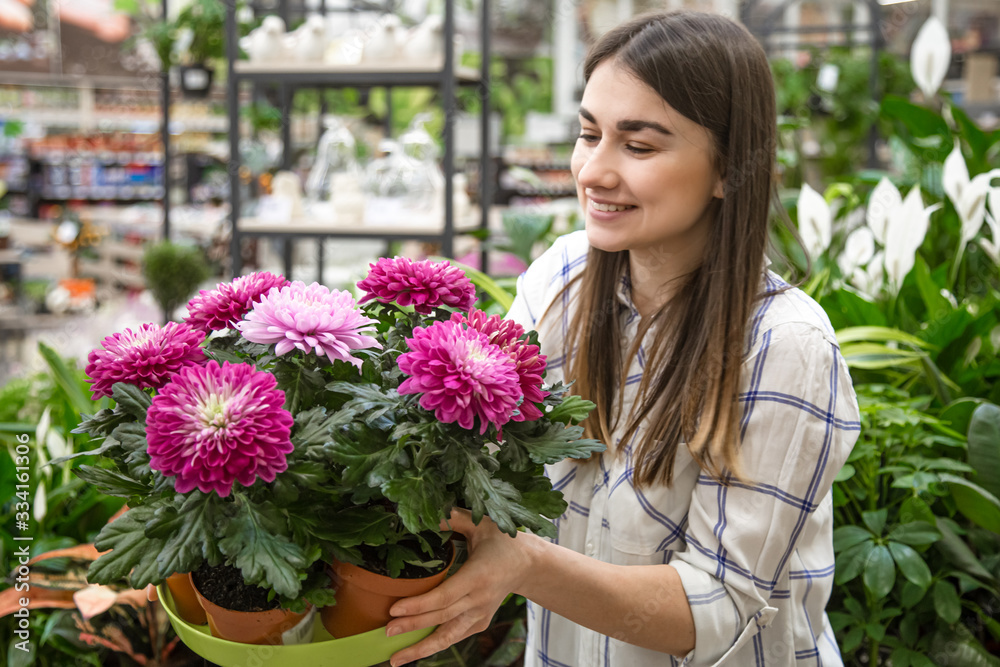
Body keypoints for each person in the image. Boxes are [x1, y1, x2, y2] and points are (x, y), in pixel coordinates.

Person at [385, 10, 861, 666]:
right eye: (589, 134)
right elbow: (480, 454)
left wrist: (524, 564)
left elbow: (718, 603)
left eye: (638, 146)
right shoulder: (561, 280)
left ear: (730, 168)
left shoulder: (786, 348)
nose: (595, 171)